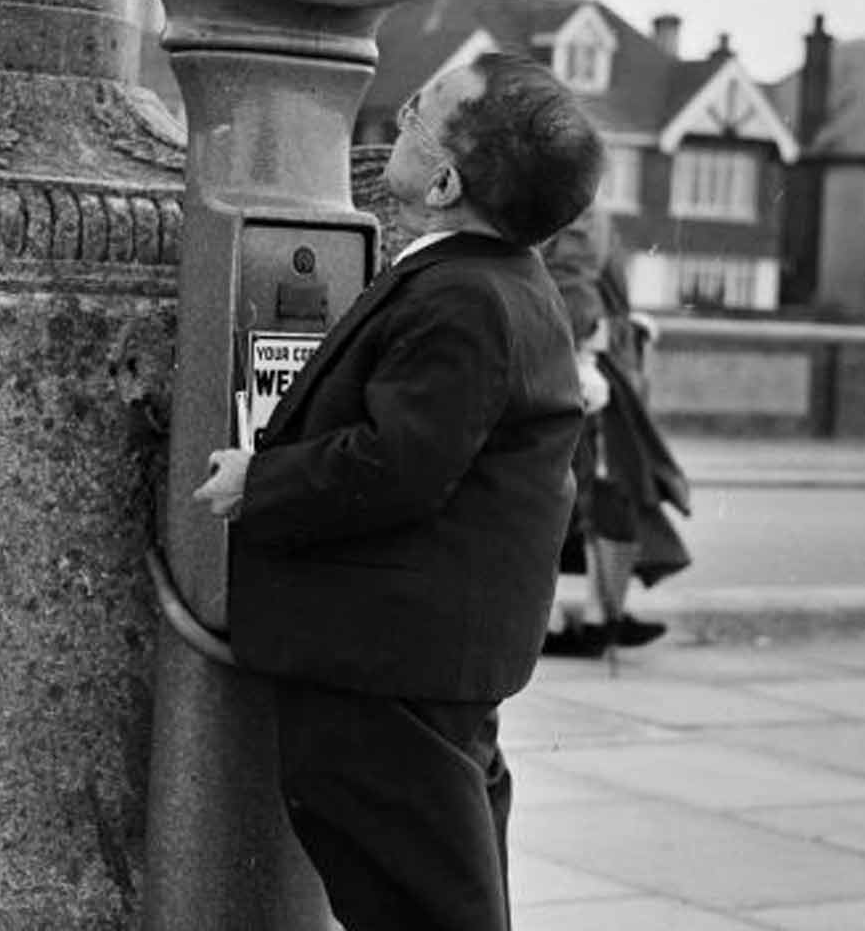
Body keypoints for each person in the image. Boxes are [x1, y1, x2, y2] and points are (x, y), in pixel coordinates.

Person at [195, 51, 604, 931]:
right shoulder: (507, 284)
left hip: (384, 670)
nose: (399, 118)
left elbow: (398, 465)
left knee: (414, 897)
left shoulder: (460, 297)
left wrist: (257, 481)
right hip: (433, 661)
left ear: (447, 181)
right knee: (445, 883)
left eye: (417, 115)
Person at [539, 211, 691, 655]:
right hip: (587, 366)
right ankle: (588, 621)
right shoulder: (580, 208)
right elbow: (571, 283)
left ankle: (596, 618)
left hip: (585, 358)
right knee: (600, 494)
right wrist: (584, 357)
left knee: (592, 495)